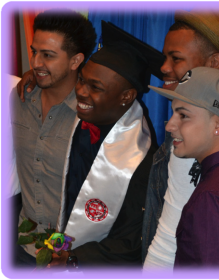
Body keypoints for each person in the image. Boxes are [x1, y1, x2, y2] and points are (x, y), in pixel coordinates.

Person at [43, 20, 165, 269]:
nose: (81, 92)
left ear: (126, 97)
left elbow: (130, 244)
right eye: (82, 80)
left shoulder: (141, 162)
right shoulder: (80, 123)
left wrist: (75, 260)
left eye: (95, 87)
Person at [142, 8, 219, 270]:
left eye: (176, 58)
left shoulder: (202, 146)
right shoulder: (197, 139)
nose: (163, 67)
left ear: (214, 63)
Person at [10, 8, 97, 266]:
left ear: (75, 60)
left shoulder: (92, 115)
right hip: (21, 247)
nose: (35, 62)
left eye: (48, 55)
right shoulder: (18, 99)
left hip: (72, 256)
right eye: (34, 51)